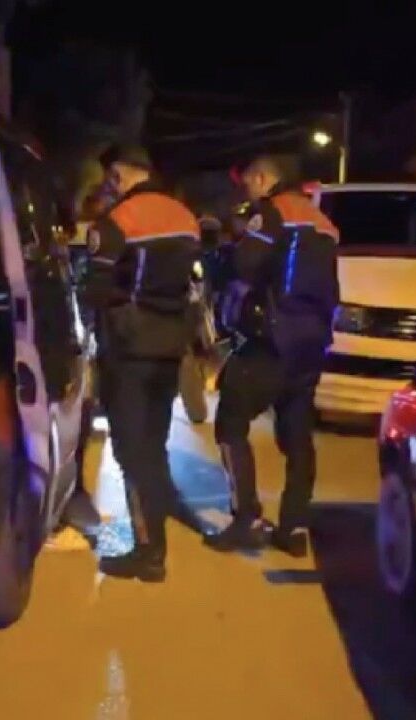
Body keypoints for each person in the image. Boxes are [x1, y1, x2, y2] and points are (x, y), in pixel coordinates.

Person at [205, 156, 339, 557]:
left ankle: (246, 518)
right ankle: (294, 526)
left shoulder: (272, 212)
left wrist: (224, 248)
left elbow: (244, 265)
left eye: (249, 182)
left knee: (230, 421)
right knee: (297, 434)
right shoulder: (322, 222)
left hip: (272, 338)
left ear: (263, 178)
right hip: (313, 341)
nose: (247, 190)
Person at [86, 144, 201, 581]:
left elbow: (97, 288)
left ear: (118, 174)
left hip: (130, 350)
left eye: (109, 178)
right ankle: (157, 521)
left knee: (131, 450)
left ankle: (149, 551)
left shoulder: (119, 220)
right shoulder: (185, 217)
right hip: (170, 347)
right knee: (152, 442)